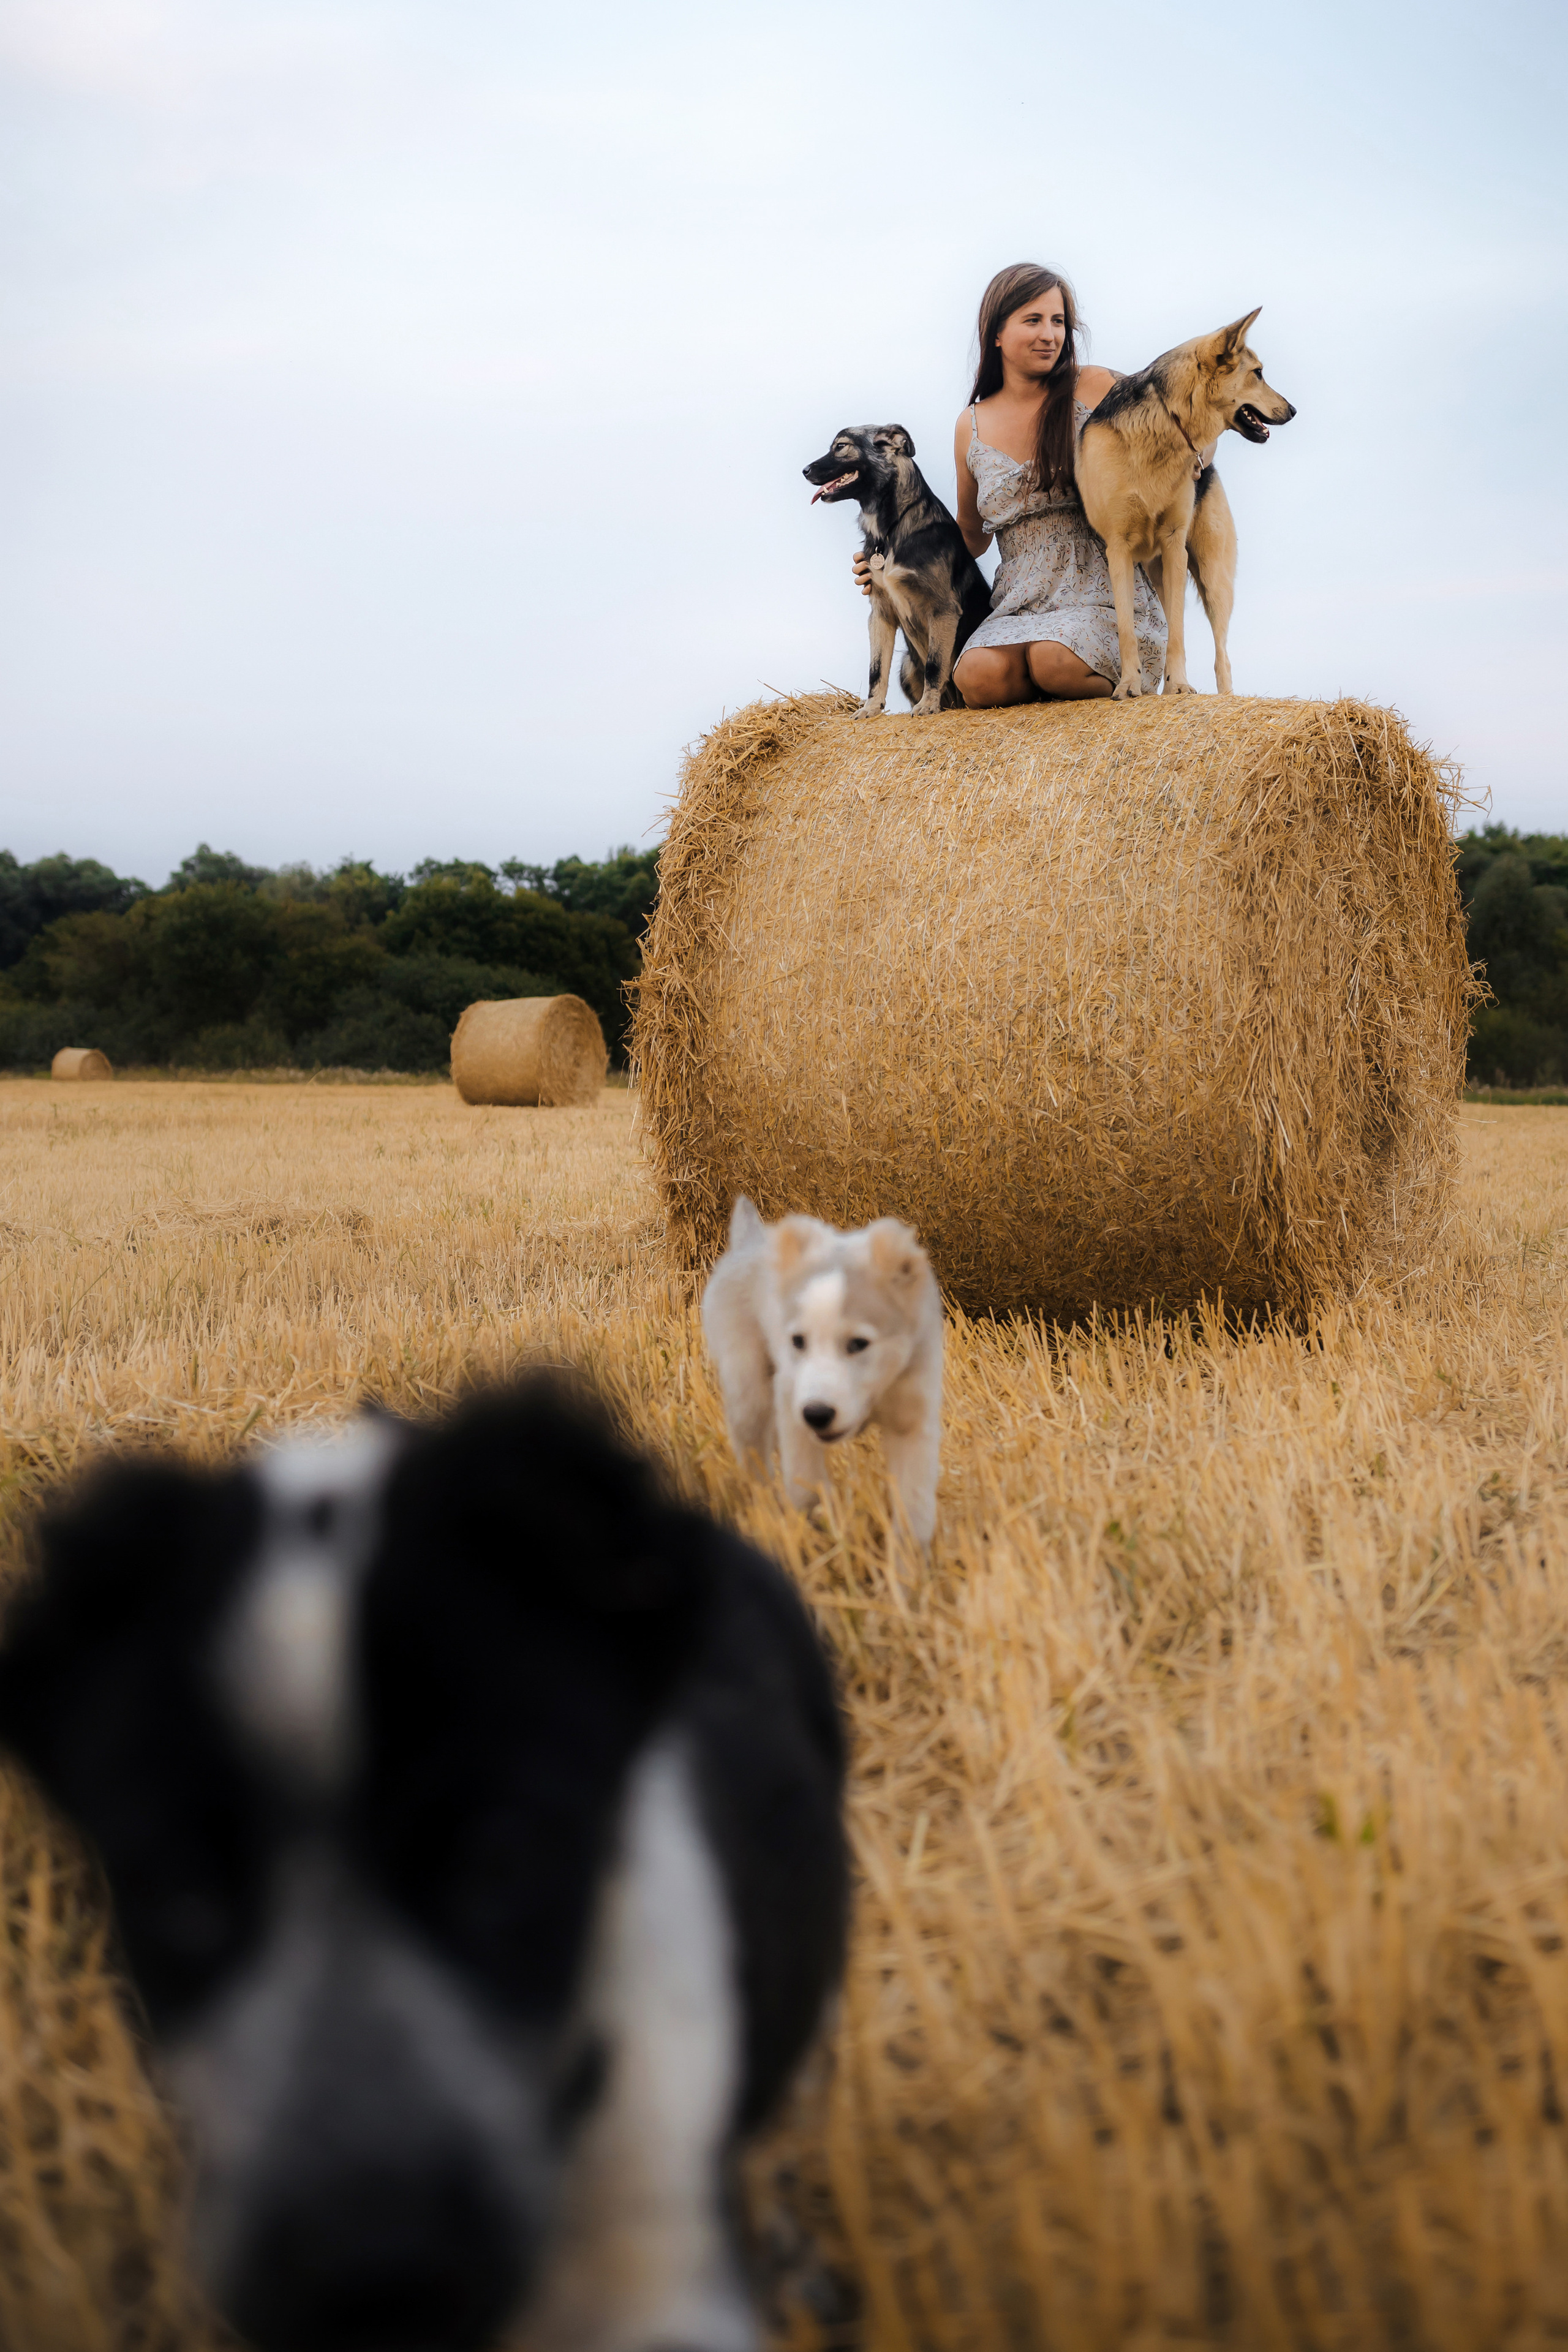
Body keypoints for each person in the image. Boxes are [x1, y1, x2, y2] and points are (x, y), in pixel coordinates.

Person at [854, 263, 1166, 706]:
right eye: (1033, 320)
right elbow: (969, 536)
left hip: (1100, 591)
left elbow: (1183, 413)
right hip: (1017, 599)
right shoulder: (971, 425)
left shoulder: (1094, 386)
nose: (1050, 335)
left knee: (1052, 659)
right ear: (997, 333)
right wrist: (894, 559)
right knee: (976, 676)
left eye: (1058, 322)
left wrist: (1195, 459)